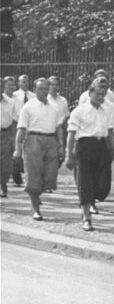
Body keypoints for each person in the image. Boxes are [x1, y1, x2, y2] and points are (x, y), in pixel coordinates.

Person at [66, 79, 114, 231]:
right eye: (98, 94)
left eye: (103, 95)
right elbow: (71, 135)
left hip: (102, 148)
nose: (101, 98)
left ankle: (90, 203)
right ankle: (87, 217)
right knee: (85, 183)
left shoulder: (107, 110)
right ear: (90, 93)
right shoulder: (79, 111)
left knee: (103, 188)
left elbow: (110, 133)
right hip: (85, 147)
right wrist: (69, 155)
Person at [13, 77, 65, 220]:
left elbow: (59, 127)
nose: (43, 91)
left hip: (51, 140)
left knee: (50, 178)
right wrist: (17, 148)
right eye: (40, 89)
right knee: (34, 175)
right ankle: (35, 207)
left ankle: (35, 194)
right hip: (33, 140)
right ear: (35, 90)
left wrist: (61, 146)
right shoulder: (28, 106)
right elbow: (21, 128)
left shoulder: (55, 106)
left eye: (46, 89)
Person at [1, 76, 25, 198]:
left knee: (6, 164)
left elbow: (17, 119)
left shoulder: (10, 102)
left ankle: (3, 183)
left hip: (6, 134)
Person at [11, 74, 34, 187]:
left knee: (28, 150)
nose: (25, 83)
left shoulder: (33, 96)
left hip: (29, 126)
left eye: (26, 81)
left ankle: (27, 174)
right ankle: (16, 176)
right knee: (16, 148)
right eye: (22, 82)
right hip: (17, 124)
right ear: (19, 83)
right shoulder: (14, 96)